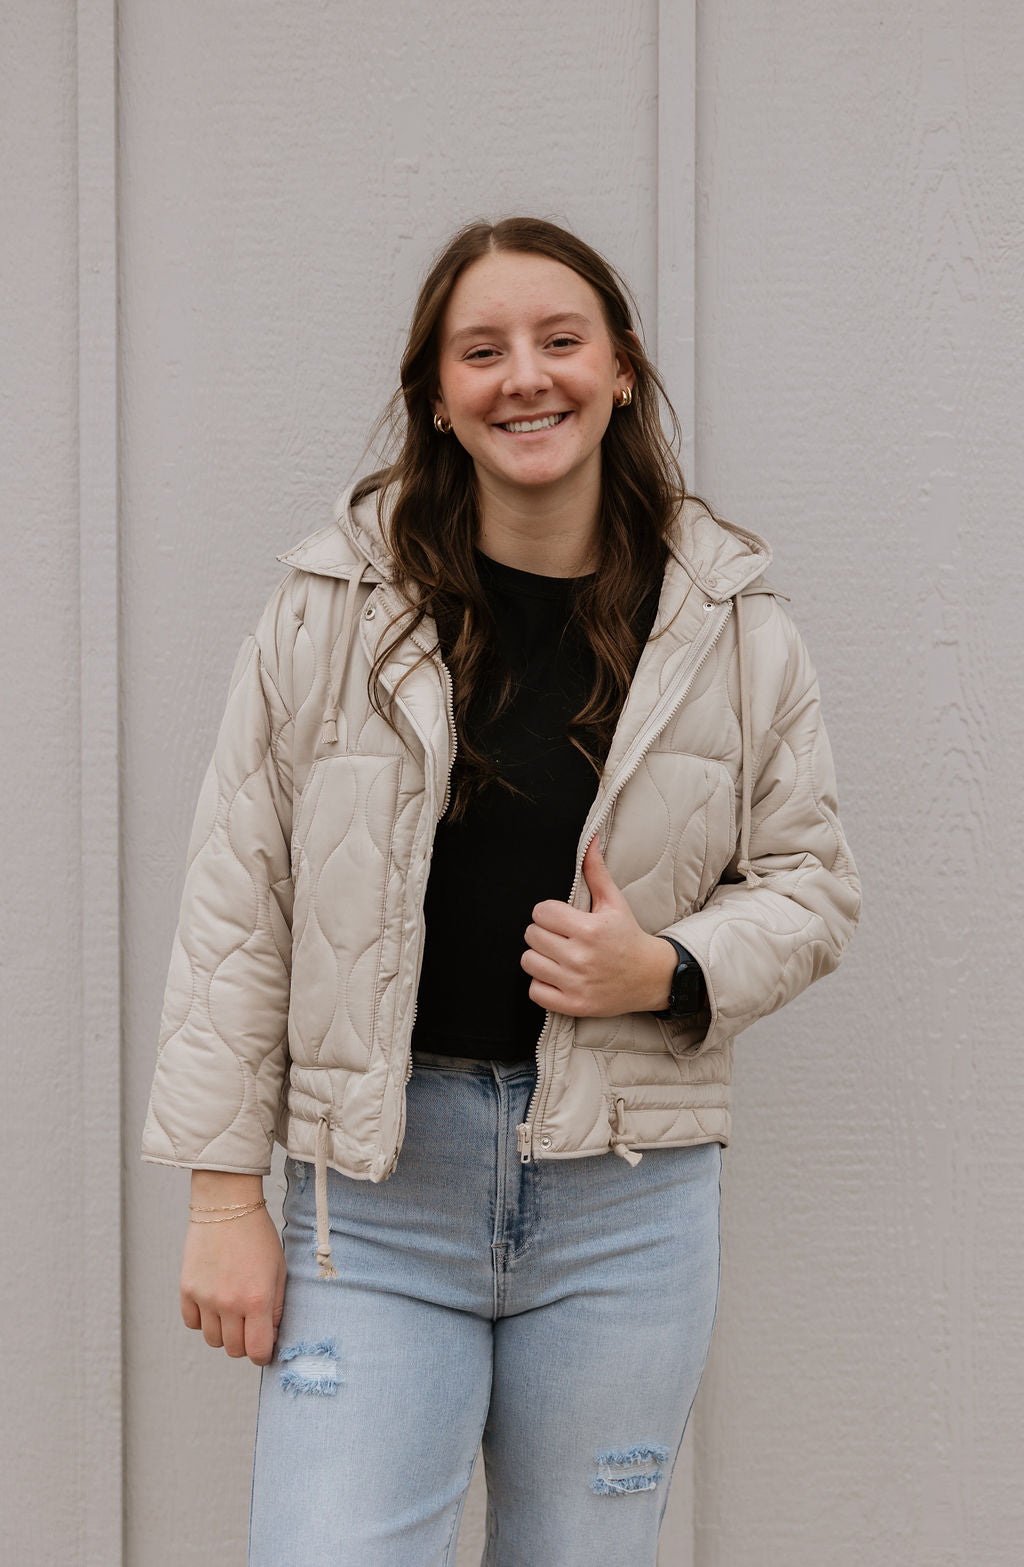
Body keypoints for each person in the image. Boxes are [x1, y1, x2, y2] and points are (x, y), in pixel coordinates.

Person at [142, 216, 860, 1566]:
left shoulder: (731, 625)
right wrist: (224, 1199)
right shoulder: (331, 609)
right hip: (377, 1198)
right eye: (482, 351)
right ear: (437, 395)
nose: (525, 376)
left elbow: (811, 886)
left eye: (560, 340)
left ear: (621, 372)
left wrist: (667, 970)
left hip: (625, 1206)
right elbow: (239, 906)